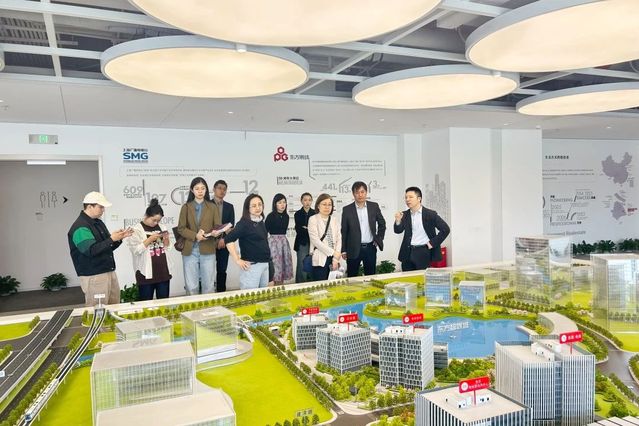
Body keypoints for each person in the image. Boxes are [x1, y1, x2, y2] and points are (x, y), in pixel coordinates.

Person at [67, 191, 132, 306]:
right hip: (94, 275)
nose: (103, 210)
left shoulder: (98, 223)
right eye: (101, 207)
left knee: (114, 306)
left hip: (108, 271)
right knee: (97, 309)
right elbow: (90, 250)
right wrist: (111, 239)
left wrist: (119, 238)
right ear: (89, 206)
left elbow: (106, 247)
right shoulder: (80, 227)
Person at [177, 177, 221, 295]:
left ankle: (209, 307)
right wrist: (195, 235)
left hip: (208, 249)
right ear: (192, 190)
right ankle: (192, 307)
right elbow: (181, 228)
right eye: (197, 189)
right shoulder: (186, 207)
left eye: (203, 188)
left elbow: (217, 226)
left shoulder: (212, 207)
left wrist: (216, 233)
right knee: (191, 287)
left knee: (209, 286)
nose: (200, 191)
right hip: (190, 251)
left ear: (206, 190)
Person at [394, 186, 450, 271]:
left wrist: (432, 243)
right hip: (407, 252)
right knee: (407, 277)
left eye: (410, 197)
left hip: (423, 252)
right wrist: (398, 220)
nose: (407, 200)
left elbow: (445, 229)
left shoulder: (430, 214)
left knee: (421, 277)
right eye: (406, 197)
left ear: (419, 199)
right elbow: (398, 231)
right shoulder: (404, 215)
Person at [127, 198, 173, 300]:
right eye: (154, 220)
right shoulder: (137, 229)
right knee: (146, 302)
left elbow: (167, 247)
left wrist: (166, 239)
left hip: (163, 271)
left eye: (158, 220)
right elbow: (136, 250)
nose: (156, 223)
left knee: (164, 302)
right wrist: (150, 239)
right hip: (145, 273)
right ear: (146, 216)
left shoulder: (162, 227)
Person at [225, 194, 271, 289]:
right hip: (252, 267)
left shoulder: (260, 221)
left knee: (263, 296)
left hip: (264, 264)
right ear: (247, 208)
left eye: (260, 204)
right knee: (251, 296)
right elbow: (228, 239)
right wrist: (237, 259)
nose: (257, 208)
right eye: (254, 206)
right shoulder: (243, 224)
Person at [341, 181, 386, 277]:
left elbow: (382, 224)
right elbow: (344, 231)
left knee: (371, 276)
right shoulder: (347, 209)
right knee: (352, 277)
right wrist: (343, 249)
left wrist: (378, 238)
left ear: (366, 192)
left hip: (370, 248)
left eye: (362, 192)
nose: (360, 195)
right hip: (352, 248)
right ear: (353, 194)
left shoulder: (374, 206)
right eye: (357, 192)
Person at [308, 193, 342, 281]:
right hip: (320, 258)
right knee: (321, 285)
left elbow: (339, 239)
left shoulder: (334, 220)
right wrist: (333, 252)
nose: (327, 207)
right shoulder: (313, 219)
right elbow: (316, 241)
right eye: (324, 204)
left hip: (334, 258)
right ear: (318, 206)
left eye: (329, 204)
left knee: (333, 286)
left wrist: (336, 258)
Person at [212, 180, 235, 292]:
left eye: (224, 189)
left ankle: (221, 294)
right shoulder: (206, 204)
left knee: (222, 270)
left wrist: (223, 240)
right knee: (207, 271)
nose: (222, 191)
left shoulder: (229, 207)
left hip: (223, 243)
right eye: (219, 188)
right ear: (214, 189)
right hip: (208, 243)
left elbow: (231, 227)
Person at [265, 193, 294, 284]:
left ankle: (281, 285)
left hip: (284, 243)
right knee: (275, 266)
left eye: (284, 202)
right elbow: (265, 232)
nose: (282, 205)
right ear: (275, 204)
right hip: (273, 244)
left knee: (283, 265)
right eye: (280, 202)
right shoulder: (270, 216)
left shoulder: (286, 216)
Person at [293, 192, 315, 282]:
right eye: (305, 200)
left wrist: (306, 228)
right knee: (301, 265)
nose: (307, 202)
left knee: (313, 264)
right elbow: (299, 229)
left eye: (309, 200)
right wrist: (309, 229)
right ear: (301, 201)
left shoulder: (315, 213)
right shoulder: (297, 214)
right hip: (302, 243)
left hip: (314, 243)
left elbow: (316, 230)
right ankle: (300, 284)